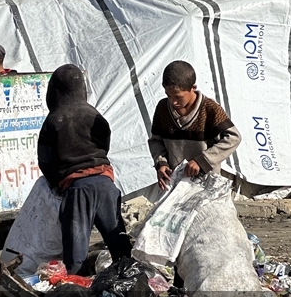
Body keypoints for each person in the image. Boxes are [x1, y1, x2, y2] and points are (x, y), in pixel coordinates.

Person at [37, 64, 132, 276]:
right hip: (106, 186)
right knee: (120, 247)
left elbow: (45, 160)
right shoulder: (94, 114)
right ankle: (133, 285)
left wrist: (57, 184)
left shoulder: (54, 119)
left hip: (77, 190)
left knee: (75, 255)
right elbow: (104, 145)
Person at [148, 60, 242, 191]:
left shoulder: (209, 109)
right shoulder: (163, 108)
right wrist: (161, 163)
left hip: (206, 184)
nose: (173, 101)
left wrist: (202, 161)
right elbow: (156, 141)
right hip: (175, 183)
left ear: (193, 88)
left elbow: (234, 138)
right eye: (168, 95)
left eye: (178, 97)